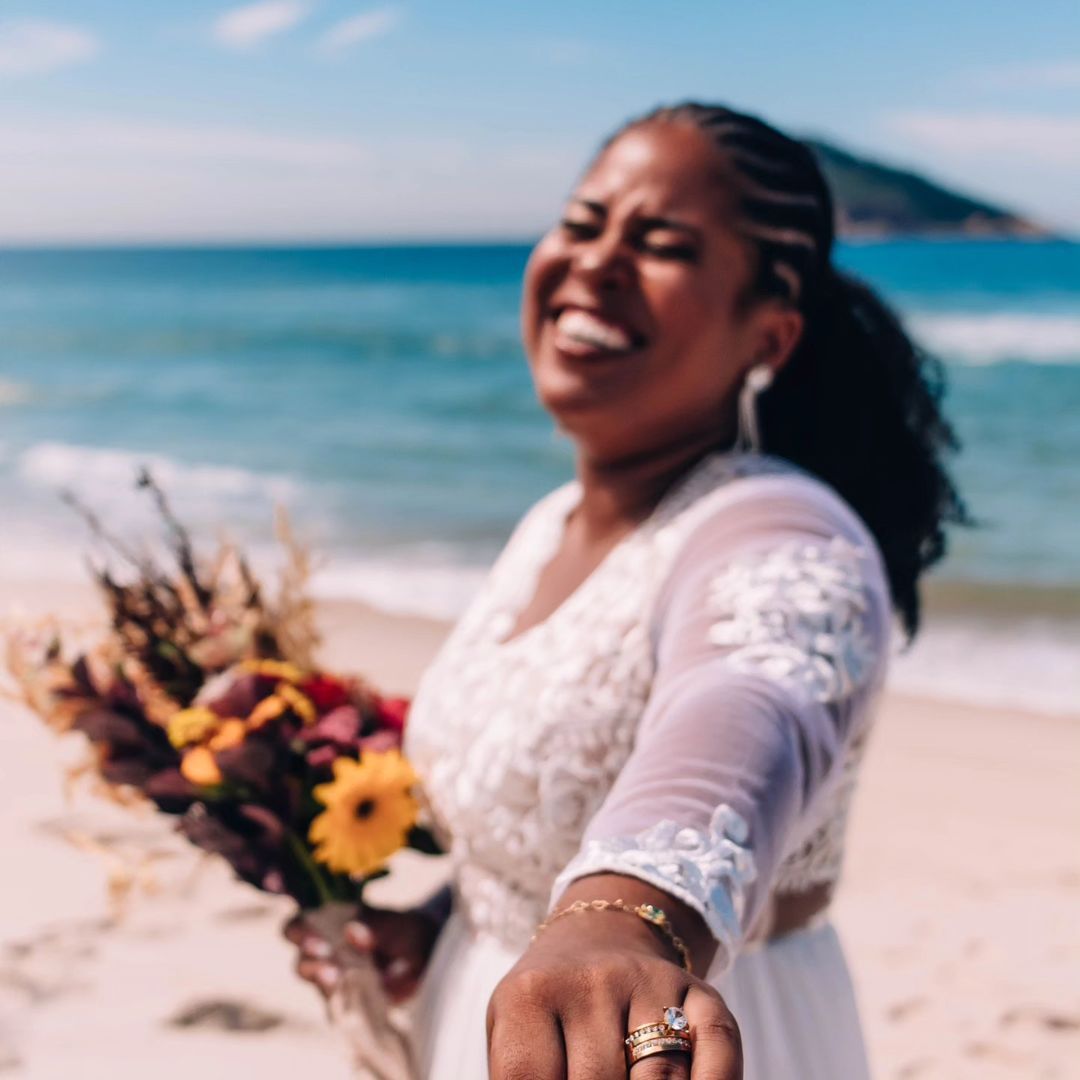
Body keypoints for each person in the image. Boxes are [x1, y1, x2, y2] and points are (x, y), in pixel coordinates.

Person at [287, 101, 968, 1078]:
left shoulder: (783, 531)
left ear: (768, 339)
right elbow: (543, 807)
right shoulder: (548, 526)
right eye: (582, 221)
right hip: (503, 1019)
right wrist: (439, 922)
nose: (596, 262)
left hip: (682, 1043)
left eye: (662, 244)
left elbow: (750, 701)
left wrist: (621, 920)